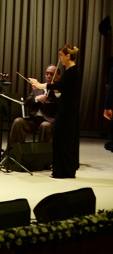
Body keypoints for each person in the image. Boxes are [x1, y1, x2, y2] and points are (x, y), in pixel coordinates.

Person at [29, 45, 81, 179]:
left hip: (68, 110)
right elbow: (62, 88)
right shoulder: (70, 71)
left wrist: (39, 85)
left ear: (68, 56)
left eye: (61, 56)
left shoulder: (72, 71)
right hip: (67, 108)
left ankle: (64, 171)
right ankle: (62, 170)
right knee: (60, 139)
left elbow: (59, 86)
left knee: (63, 139)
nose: (60, 59)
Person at [10, 65, 59, 145]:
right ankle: (14, 150)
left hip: (49, 120)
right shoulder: (38, 88)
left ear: (58, 76)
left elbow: (58, 102)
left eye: (51, 74)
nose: (48, 76)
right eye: (47, 74)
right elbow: (27, 102)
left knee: (45, 126)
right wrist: (37, 98)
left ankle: (41, 151)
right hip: (34, 120)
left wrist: (53, 89)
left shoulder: (58, 89)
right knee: (18, 122)